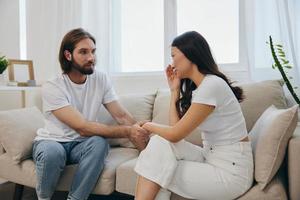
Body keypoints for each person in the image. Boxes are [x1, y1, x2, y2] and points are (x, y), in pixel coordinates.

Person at [134, 31, 253, 200]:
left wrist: (147, 125)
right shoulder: (203, 88)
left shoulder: (211, 86)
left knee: (155, 165)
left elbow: (175, 135)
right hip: (211, 157)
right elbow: (174, 130)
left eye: (174, 56)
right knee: (159, 144)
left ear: (190, 55)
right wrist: (175, 89)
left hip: (230, 173)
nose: (172, 62)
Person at [32, 28, 149, 200]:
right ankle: (43, 198)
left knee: (99, 143)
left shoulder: (100, 79)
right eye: (83, 52)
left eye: (93, 51)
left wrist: (140, 131)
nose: (91, 58)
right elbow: (83, 127)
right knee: (53, 153)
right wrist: (127, 132)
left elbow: (121, 116)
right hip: (52, 142)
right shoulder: (53, 86)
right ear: (68, 55)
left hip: (81, 146)